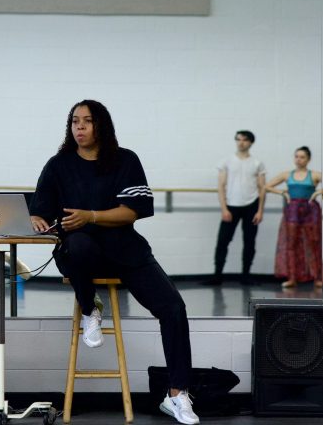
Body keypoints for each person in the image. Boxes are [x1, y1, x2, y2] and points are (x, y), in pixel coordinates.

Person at [29, 100, 199, 425]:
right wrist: (36, 218)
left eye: (87, 121)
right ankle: (90, 309)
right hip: (79, 256)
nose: (79, 127)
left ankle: (177, 394)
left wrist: (91, 216)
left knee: (173, 308)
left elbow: (132, 211)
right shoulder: (58, 165)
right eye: (75, 121)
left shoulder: (125, 160)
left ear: (101, 126)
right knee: (77, 243)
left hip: (125, 252)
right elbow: (40, 208)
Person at [203, 130, 266, 286]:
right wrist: (224, 209)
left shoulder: (257, 163)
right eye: (238, 139)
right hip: (231, 206)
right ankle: (217, 276)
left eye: (244, 140)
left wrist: (260, 211)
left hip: (252, 206)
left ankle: (245, 276)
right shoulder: (226, 161)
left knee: (249, 242)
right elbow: (221, 186)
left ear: (250, 142)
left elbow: (262, 188)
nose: (241, 142)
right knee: (222, 241)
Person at [265, 146, 323, 289]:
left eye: (302, 157)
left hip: (310, 210)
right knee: (291, 244)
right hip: (292, 210)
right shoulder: (287, 175)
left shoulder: (314, 175)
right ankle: (292, 278)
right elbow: (267, 186)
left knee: (313, 243)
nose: (299, 160)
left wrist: (320, 191)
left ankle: (317, 278)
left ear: (308, 159)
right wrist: (283, 193)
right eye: (296, 157)